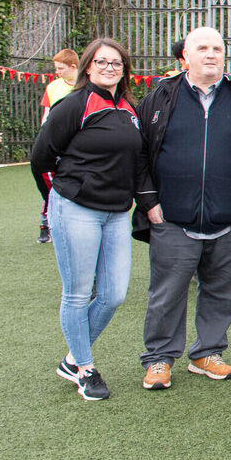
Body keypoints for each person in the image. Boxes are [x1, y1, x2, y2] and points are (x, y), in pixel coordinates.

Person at [131, 27, 231, 390]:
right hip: (172, 218)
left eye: (217, 48)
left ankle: (207, 353)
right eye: (202, 48)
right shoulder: (159, 97)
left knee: (223, 291)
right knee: (167, 294)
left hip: (229, 218)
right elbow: (139, 153)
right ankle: (159, 358)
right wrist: (149, 201)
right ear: (185, 56)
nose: (211, 54)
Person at [31, 38, 142, 400]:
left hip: (116, 213)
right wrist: (59, 197)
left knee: (113, 295)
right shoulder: (73, 104)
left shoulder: (128, 108)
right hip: (76, 209)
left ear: (124, 70)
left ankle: (71, 359)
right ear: (88, 66)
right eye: (102, 62)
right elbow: (41, 158)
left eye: (116, 63)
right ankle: (84, 368)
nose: (109, 68)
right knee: (78, 293)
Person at [37, 48, 79, 243]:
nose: (57, 72)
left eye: (60, 68)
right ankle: (45, 224)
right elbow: (46, 117)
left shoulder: (85, 86)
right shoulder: (53, 87)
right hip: (56, 147)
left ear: (73, 67)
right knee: (52, 186)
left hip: (77, 149)